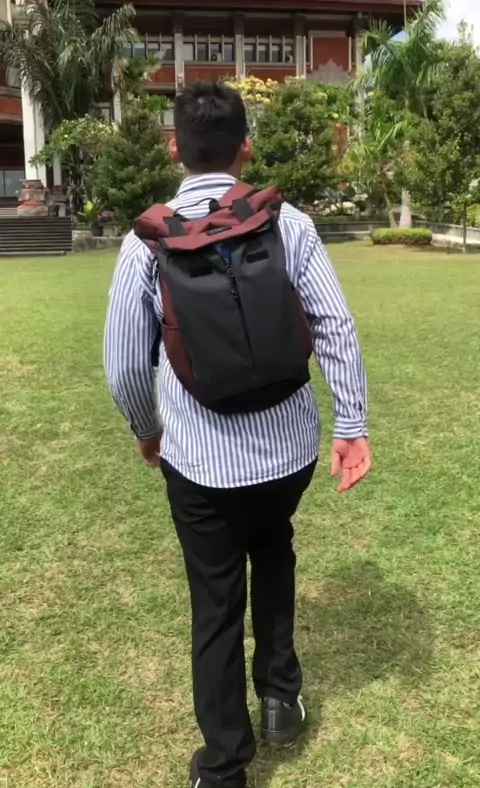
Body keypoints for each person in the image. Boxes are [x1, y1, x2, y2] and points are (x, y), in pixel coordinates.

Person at [104, 81, 371, 788]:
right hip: (288, 452)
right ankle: (280, 697)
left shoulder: (147, 241)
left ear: (175, 148)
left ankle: (224, 766)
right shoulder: (290, 224)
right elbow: (335, 325)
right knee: (274, 548)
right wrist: (351, 423)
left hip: (199, 460)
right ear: (245, 148)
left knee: (216, 598)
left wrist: (146, 428)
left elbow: (124, 362)